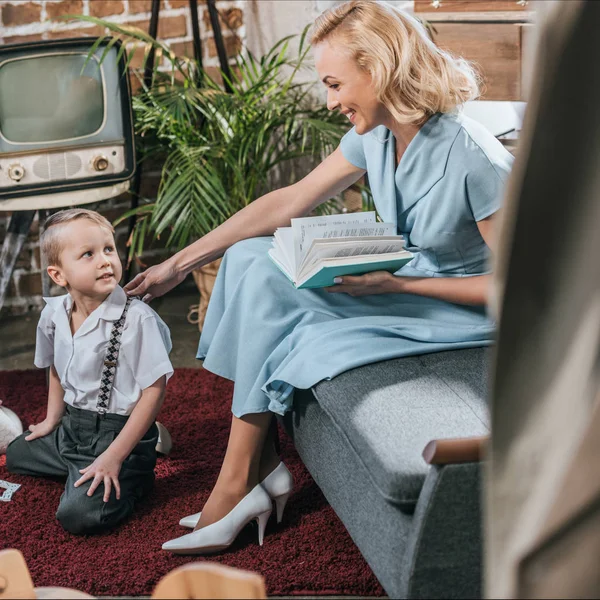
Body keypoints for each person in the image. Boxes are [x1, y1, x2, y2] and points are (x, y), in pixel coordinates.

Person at [124, 0, 514, 554]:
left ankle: (240, 482)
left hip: (461, 311)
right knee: (249, 257)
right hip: (406, 285)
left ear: (378, 70)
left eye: (335, 84)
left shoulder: (474, 158)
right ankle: (258, 465)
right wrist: (177, 263)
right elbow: (291, 200)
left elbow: (519, 291)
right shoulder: (379, 133)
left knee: (266, 285)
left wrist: (397, 287)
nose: (330, 101)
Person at [6, 209, 173, 535]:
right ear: (58, 275)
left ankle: (133, 474)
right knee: (16, 453)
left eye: (108, 249)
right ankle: (77, 468)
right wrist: (52, 420)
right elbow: (55, 367)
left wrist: (113, 457)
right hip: (72, 428)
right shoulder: (54, 315)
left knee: (78, 516)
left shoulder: (137, 320)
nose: (105, 260)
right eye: (88, 254)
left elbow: (154, 391)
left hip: (114, 434)